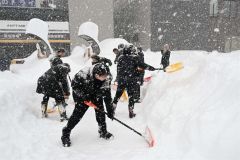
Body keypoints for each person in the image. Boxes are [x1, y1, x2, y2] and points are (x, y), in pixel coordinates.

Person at [61, 63, 114, 147]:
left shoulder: (107, 77)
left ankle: (102, 131)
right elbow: (74, 86)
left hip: (96, 94)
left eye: (106, 76)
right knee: (77, 115)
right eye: (102, 77)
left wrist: (110, 110)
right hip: (82, 95)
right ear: (96, 75)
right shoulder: (83, 74)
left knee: (101, 113)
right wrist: (83, 96)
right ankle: (66, 133)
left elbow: (107, 95)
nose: (105, 78)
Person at [112, 44, 156, 118]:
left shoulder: (120, 58)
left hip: (122, 80)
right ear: (130, 51)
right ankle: (131, 111)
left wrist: (120, 78)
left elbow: (118, 70)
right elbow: (142, 65)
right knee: (131, 96)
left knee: (117, 95)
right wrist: (150, 68)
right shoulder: (134, 58)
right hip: (131, 80)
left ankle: (112, 109)